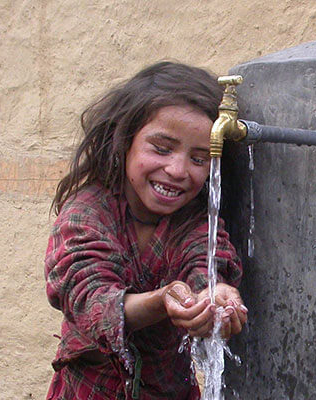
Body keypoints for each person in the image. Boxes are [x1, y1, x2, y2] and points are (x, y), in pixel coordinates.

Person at [44, 61, 248, 400]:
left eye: (200, 159)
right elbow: (91, 303)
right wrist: (163, 300)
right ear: (124, 141)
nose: (178, 170)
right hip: (89, 392)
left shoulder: (192, 221)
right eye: (162, 148)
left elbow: (204, 266)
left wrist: (212, 299)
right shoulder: (87, 214)